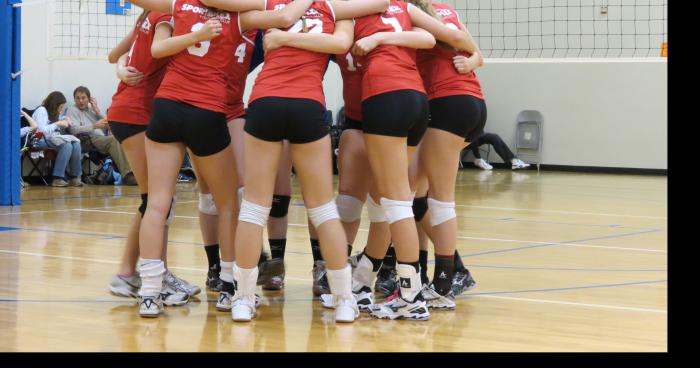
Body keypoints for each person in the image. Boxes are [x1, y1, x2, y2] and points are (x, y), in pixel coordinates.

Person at [207, 0, 390, 323]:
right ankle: (344, 299)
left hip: (266, 101)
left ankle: (243, 299)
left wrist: (279, 34)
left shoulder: (271, 5)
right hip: (307, 103)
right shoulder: (333, 9)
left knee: (253, 207)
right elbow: (374, 11)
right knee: (323, 209)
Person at [341, 0, 480, 321]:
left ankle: (412, 292)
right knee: (399, 196)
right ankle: (368, 276)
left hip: (397, 98)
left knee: (399, 200)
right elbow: (439, 39)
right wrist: (476, 57)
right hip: (423, 101)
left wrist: (376, 40)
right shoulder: (412, 9)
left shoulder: (351, 12)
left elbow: (336, 41)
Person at [105, 8, 196, 311]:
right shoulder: (163, 16)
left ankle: (132, 273)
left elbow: (114, 55)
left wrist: (120, 67)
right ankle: (143, 274)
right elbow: (156, 48)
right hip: (137, 113)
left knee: (153, 201)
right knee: (158, 201)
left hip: (128, 110)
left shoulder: (147, 13)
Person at [65, 86, 137, 185]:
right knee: (113, 140)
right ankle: (127, 175)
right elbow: (73, 129)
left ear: (89, 99)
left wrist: (97, 110)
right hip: (85, 140)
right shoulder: (72, 110)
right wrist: (93, 126)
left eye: (83, 98)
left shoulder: (92, 110)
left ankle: (131, 173)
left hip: (99, 139)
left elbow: (109, 124)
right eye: (77, 98)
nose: (80, 101)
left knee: (123, 139)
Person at [31, 91, 84, 187]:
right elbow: (41, 131)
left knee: (76, 143)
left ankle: (75, 177)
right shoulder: (42, 111)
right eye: (61, 107)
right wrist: (58, 124)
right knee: (67, 145)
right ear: (54, 105)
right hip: (38, 140)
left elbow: (61, 117)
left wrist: (65, 118)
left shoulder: (54, 113)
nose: (62, 109)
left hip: (52, 140)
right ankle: (57, 178)